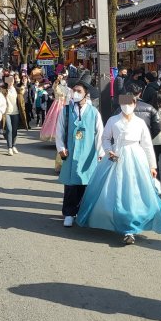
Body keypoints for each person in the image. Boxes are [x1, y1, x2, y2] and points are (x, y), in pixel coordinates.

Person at [77, 93, 161, 245]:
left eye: (130, 103)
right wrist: (108, 150)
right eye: (124, 103)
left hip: (136, 156)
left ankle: (130, 228)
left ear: (135, 104)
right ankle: (113, 219)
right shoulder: (113, 120)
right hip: (115, 156)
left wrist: (152, 165)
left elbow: (147, 144)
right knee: (111, 189)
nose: (126, 106)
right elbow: (105, 138)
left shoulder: (140, 123)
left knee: (134, 190)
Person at [57, 81, 104, 227]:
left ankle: (84, 213)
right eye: (74, 91)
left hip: (89, 153)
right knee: (71, 185)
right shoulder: (65, 110)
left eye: (79, 91)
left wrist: (100, 152)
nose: (75, 93)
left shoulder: (94, 112)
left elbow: (99, 134)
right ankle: (69, 213)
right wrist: (61, 147)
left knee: (86, 185)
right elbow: (60, 130)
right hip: (71, 152)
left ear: (86, 94)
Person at [40, 77, 69, 142]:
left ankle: (64, 137)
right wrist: (57, 80)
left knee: (64, 120)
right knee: (55, 119)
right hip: (57, 104)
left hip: (64, 104)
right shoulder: (56, 87)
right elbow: (54, 86)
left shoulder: (66, 88)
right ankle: (55, 135)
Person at [3, 79, 20, 155]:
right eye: (8, 81)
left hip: (15, 112)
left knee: (15, 130)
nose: (10, 82)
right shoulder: (3, 90)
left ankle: (13, 145)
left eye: (11, 81)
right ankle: (9, 147)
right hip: (7, 112)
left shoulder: (17, 89)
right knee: (9, 129)